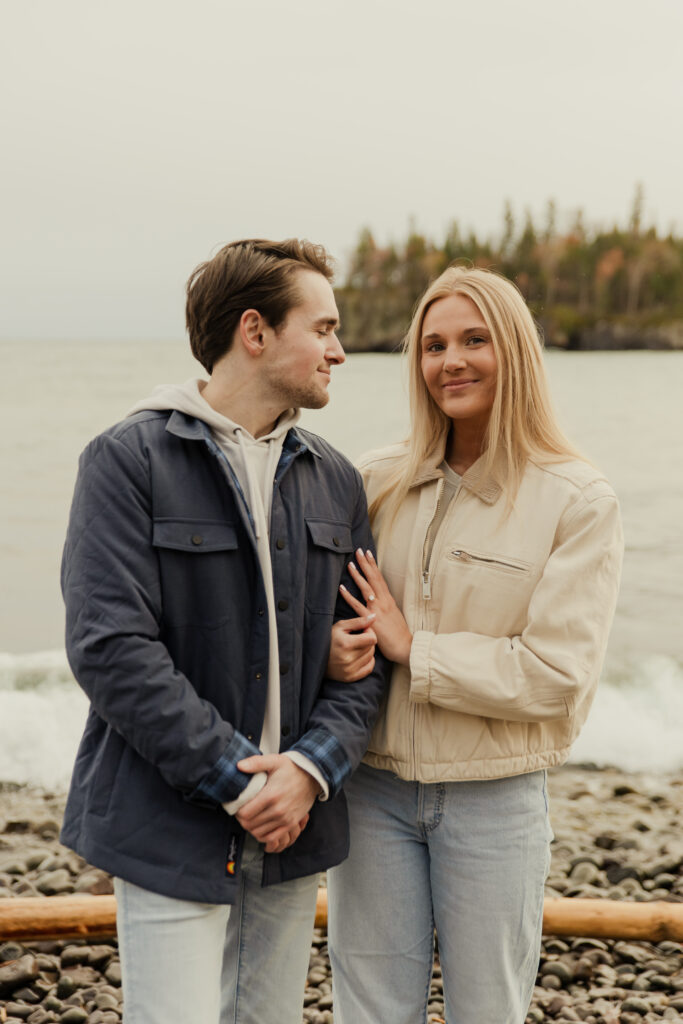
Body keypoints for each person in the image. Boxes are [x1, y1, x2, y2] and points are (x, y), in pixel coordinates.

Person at [59, 238, 387, 1024]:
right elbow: (111, 649)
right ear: (256, 331)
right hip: (168, 826)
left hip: (294, 831)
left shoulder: (336, 479)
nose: (339, 351)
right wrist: (244, 784)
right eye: (324, 327)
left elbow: (369, 655)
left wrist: (307, 772)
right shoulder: (126, 460)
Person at [325, 266, 623, 1024]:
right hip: (374, 791)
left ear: (514, 350)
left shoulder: (576, 499)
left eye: (472, 340)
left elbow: (555, 673)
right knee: (369, 1013)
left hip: (495, 797)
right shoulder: (374, 481)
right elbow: (332, 623)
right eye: (432, 345)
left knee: (488, 1012)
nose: (449, 360)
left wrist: (411, 647)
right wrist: (336, 648)